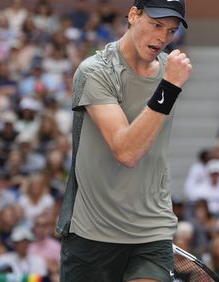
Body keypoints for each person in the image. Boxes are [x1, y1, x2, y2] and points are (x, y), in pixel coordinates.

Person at [56, 0, 191, 281]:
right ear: (133, 15)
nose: (162, 38)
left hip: (152, 229)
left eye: (171, 30)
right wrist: (168, 88)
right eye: (156, 25)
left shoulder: (170, 73)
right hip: (93, 230)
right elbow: (126, 151)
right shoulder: (95, 71)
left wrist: (168, 84)